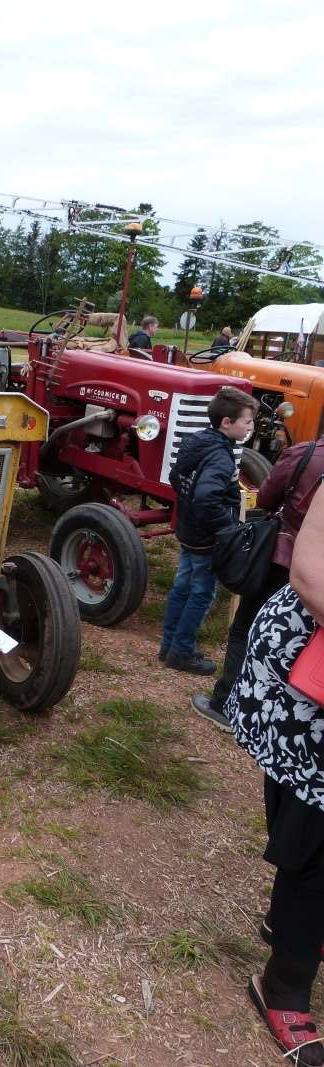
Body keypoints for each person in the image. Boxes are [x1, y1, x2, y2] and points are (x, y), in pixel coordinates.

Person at [226, 482, 324, 1065]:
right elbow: (309, 574)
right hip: (307, 665)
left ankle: (288, 920)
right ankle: (283, 984)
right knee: (312, 832)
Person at [192, 435, 324, 728]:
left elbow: (265, 498)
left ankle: (226, 705)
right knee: (305, 644)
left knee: (246, 629)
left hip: (285, 559)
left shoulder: (305, 453)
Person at [159, 386, 257, 674]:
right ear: (227, 423)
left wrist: (187, 507)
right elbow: (206, 498)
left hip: (189, 530)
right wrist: (228, 529)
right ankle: (182, 651)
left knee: (181, 587)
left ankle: (168, 645)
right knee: (202, 593)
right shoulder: (221, 457)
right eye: (247, 422)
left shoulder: (196, 441)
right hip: (206, 538)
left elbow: (176, 476)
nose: (250, 427)